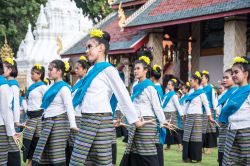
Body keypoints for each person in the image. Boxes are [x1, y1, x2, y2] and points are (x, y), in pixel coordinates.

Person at [70, 29, 146, 166]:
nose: (86, 51)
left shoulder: (109, 70)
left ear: (101, 48)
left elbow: (122, 95)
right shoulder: (91, 70)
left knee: (100, 162)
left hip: (100, 119)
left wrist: (135, 120)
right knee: (82, 161)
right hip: (87, 118)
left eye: (89, 47)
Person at [120, 56, 166, 166]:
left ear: (145, 70)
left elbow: (157, 107)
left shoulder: (150, 87)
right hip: (136, 122)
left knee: (147, 153)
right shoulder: (135, 86)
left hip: (147, 123)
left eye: (138, 69)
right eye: (134, 69)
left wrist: (163, 122)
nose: (135, 71)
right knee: (134, 151)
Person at [32, 60, 78, 165]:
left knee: (56, 155)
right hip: (47, 122)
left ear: (59, 71)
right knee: (44, 154)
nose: (48, 72)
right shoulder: (50, 86)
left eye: (50, 69)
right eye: (48, 69)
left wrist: (73, 125)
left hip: (59, 123)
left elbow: (69, 107)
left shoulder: (64, 88)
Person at [219, 56, 250, 165]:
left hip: (245, 132)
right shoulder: (234, 92)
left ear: (245, 74)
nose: (233, 75)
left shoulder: (248, 91)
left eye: (236, 72)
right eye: (232, 73)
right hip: (231, 130)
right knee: (228, 162)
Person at [182, 71, 214, 163]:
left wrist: (210, 117)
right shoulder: (192, 92)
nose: (190, 82)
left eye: (191, 80)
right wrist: (184, 114)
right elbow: (187, 105)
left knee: (195, 137)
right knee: (187, 136)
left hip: (197, 118)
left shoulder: (202, 93)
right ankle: (186, 157)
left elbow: (207, 106)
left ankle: (196, 157)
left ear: (196, 81)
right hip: (189, 117)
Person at [66, 56, 90, 165]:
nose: (75, 70)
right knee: (71, 145)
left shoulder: (87, 82)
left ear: (85, 70)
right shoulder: (77, 82)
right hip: (73, 115)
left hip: (80, 117)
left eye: (78, 68)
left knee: (80, 147)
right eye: (75, 68)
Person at [22, 64, 47, 166]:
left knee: (37, 141)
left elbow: (47, 102)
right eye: (31, 73)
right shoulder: (31, 87)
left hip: (39, 117)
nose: (31, 76)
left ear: (39, 74)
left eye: (33, 74)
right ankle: (29, 162)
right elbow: (25, 100)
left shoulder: (43, 87)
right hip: (30, 117)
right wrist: (27, 109)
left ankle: (36, 163)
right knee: (28, 142)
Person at [0, 58, 19, 165]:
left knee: (11, 146)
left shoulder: (12, 85)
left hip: (8, 120)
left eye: (5, 67)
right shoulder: (4, 83)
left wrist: (15, 121)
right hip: (5, 120)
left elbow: (14, 105)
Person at [217, 69, 237, 166]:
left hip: (232, 127)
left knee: (229, 152)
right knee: (222, 149)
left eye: (227, 78)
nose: (224, 80)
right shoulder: (224, 94)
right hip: (223, 126)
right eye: (223, 78)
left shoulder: (236, 92)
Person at [163, 78, 184, 151]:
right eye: (167, 84)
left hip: (172, 114)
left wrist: (181, 114)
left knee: (175, 130)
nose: (167, 85)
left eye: (169, 84)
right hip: (166, 114)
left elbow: (178, 105)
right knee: (168, 130)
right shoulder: (167, 94)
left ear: (173, 86)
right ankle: (168, 145)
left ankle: (180, 145)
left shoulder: (174, 95)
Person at [201, 70, 218, 154]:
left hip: (210, 110)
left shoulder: (210, 88)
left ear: (207, 79)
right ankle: (202, 147)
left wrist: (215, 109)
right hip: (202, 110)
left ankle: (210, 148)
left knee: (210, 128)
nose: (201, 79)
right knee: (202, 129)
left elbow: (214, 99)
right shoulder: (200, 88)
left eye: (202, 78)